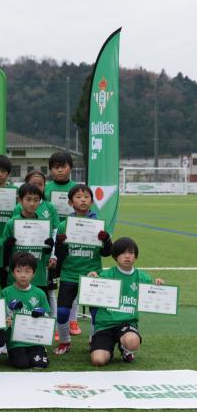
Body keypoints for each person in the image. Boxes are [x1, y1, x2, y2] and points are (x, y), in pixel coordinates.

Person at [53, 184, 112, 355]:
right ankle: (65, 342)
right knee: (63, 311)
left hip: (92, 274)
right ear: (71, 203)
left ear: (92, 201)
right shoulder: (65, 225)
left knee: (96, 312)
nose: (83, 199)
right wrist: (59, 243)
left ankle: (94, 340)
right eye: (78, 197)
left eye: (86, 196)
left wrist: (106, 239)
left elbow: (106, 253)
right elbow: (60, 255)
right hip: (69, 274)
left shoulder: (98, 224)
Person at [87, 237, 163, 366]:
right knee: (98, 360)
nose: (127, 256)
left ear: (136, 255)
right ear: (116, 256)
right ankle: (108, 348)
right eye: (123, 253)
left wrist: (159, 287)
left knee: (132, 341)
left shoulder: (143, 278)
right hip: (104, 324)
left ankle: (126, 349)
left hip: (126, 323)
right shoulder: (105, 275)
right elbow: (89, 297)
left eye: (131, 252)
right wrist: (91, 281)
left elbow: (153, 299)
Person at [12, 170, 60, 318]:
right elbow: (15, 231)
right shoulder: (17, 211)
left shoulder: (49, 207)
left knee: (45, 294)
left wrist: (52, 252)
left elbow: (54, 231)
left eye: (40, 185)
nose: (37, 187)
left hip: (40, 264)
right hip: (20, 262)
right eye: (33, 184)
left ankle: (50, 324)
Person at [45, 151, 80, 334]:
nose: (60, 170)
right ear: (51, 169)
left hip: (72, 240)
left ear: (70, 168)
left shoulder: (78, 188)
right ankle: (54, 322)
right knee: (51, 282)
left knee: (71, 281)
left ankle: (72, 320)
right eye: (56, 167)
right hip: (52, 241)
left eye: (63, 166)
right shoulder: (46, 188)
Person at [1, 252, 51, 369]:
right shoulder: (5, 292)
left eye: (27, 271)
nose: (23, 275)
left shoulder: (40, 293)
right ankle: (12, 353)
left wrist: (42, 312)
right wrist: (9, 308)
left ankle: (41, 349)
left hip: (35, 339)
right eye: (19, 271)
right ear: (13, 272)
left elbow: (48, 316)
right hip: (15, 340)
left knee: (40, 364)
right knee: (22, 364)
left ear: (33, 273)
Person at [1, 184, 54, 293]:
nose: (32, 203)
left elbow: (47, 256)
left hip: (38, 277)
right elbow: (3, 254)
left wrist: (49, 247)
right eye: (28, 199)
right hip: (16, 279)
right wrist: (7, 246)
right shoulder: (12, 223)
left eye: (36, 200)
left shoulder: (44, 224)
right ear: (20, 200)